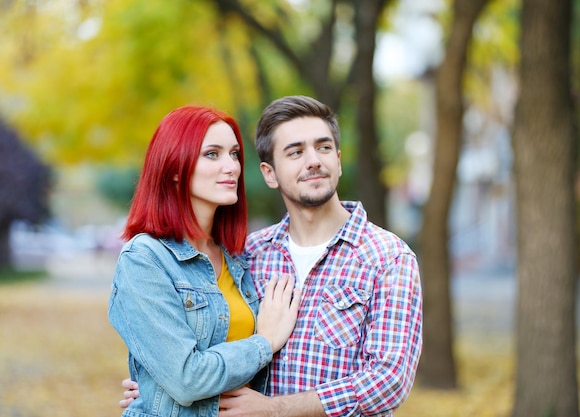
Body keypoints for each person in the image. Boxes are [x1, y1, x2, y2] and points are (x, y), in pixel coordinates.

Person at [121, 96, 423, 416]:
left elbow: (389, 380)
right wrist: (160, 385)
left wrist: (275, 409)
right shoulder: (249, 254)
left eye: (323, 148)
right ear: (269, 173)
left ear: (338, 159)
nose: (313, 161)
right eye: (295, 152)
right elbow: (205, 346)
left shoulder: (387, 257)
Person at [108, 105, 301, 417]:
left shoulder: (239, 258)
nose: (231, 167)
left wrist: (155, 383)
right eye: (212, 154)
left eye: (234, 154)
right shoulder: (145, 260)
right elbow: (187, 379)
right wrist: (264, 342)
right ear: (173, 168)